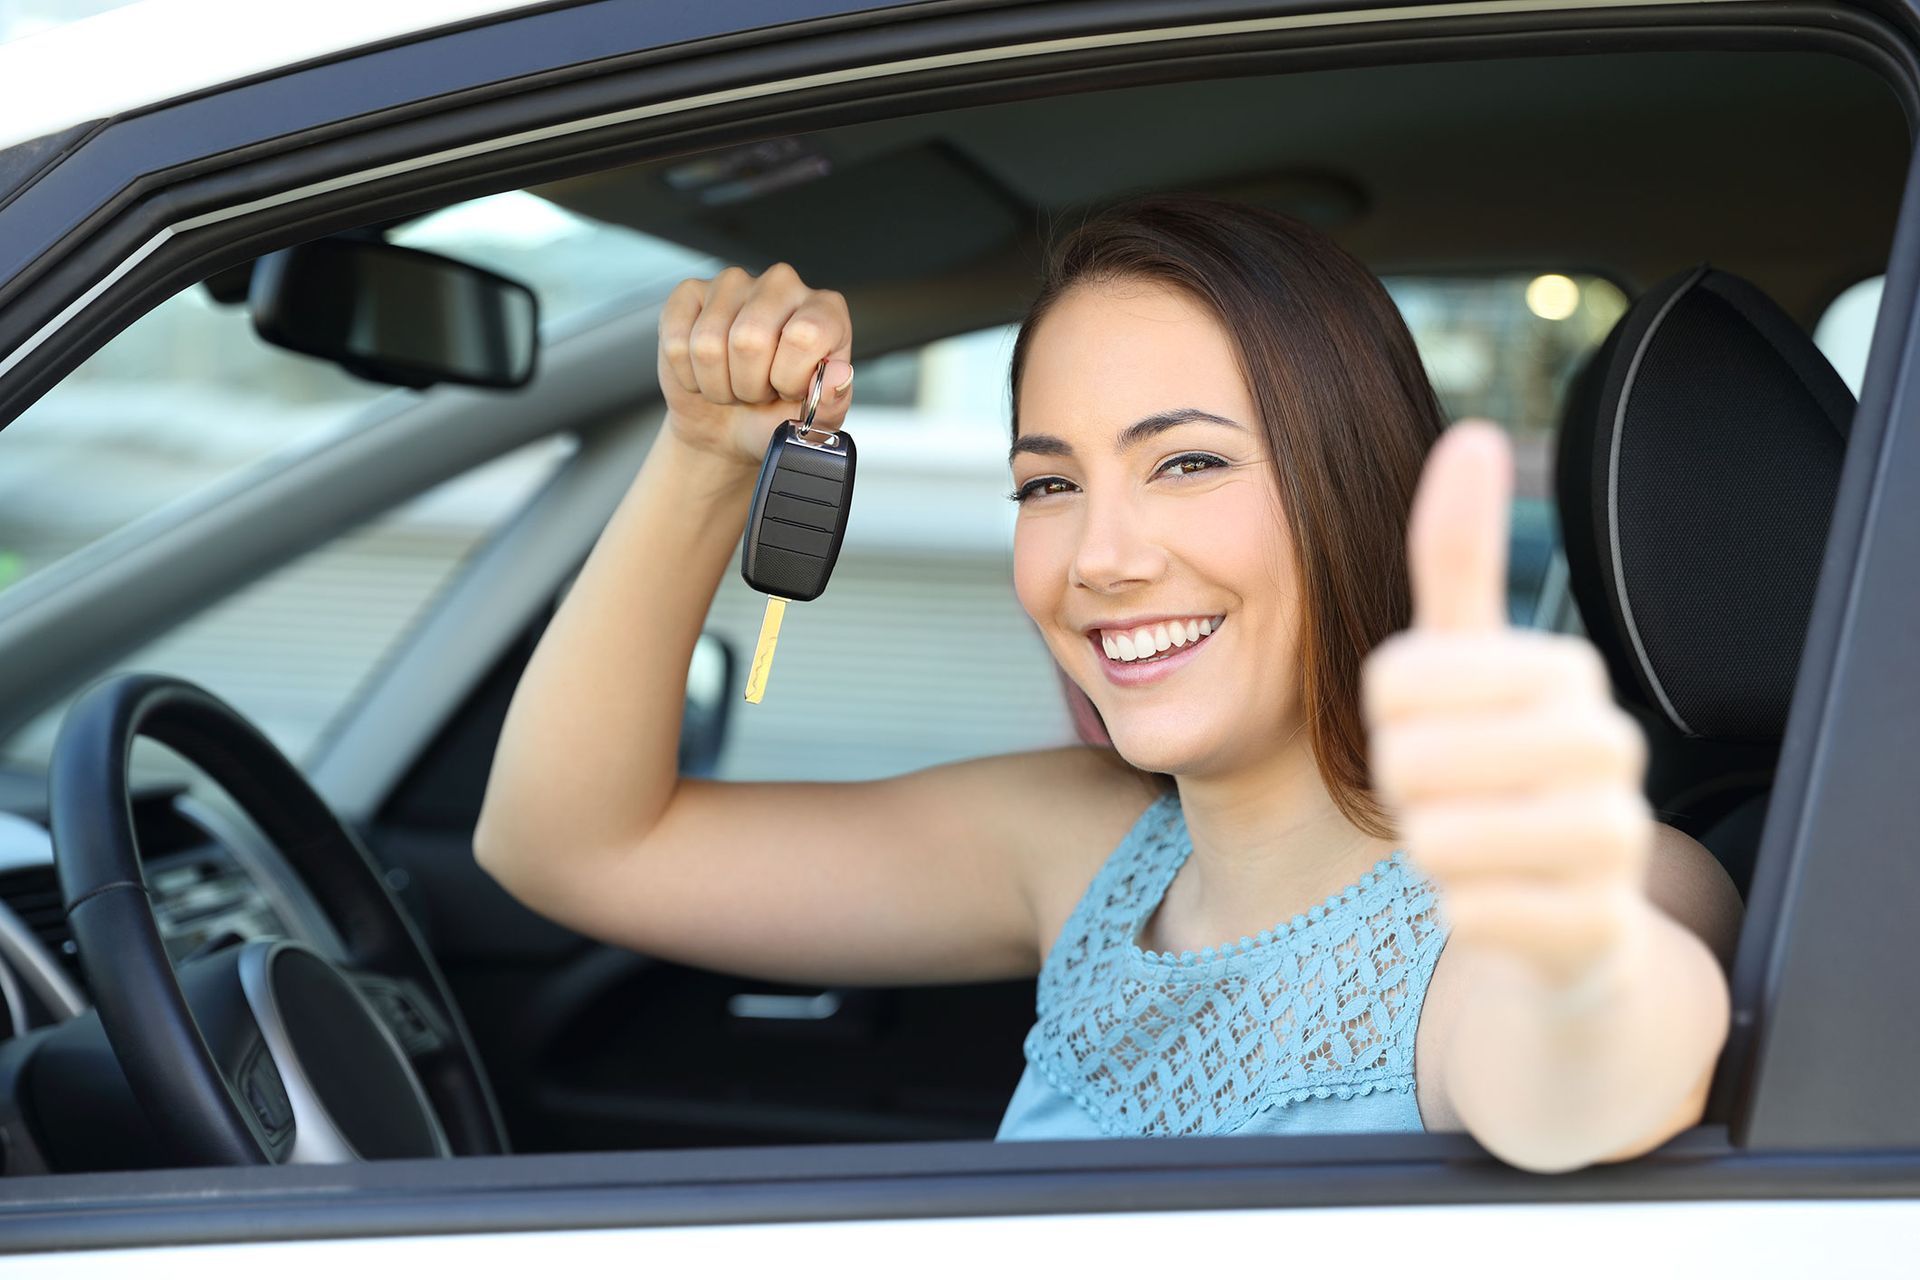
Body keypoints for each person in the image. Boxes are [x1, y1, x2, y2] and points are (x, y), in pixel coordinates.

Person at [474, 193, 1743, 1173]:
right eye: (1048, 484)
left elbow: (1589, 1076)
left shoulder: (1588, 885)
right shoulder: (1089, 847)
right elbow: (569, 843)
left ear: (1354, 489)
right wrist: (705, 457)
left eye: (1187, 464)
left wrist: (1577, 960)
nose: (1101, 557)